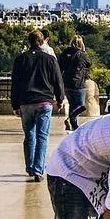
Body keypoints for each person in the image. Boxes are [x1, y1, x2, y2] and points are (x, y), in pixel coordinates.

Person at [12, 29, 70, 182]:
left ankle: (30, 167)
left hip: (25, 101)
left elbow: (15, 84)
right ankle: (38, 169)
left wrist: (15, 104)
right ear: (43, 41)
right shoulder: (50, 59)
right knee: (42, 136)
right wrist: (60, 99)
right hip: (44, 101)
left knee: (29, 135)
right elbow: (58, 81)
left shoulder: (20, 59)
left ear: (29, 42)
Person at [60, 35, 94, 131]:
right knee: (81, 105)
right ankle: (70, 118)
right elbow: (89, 63)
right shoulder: (82, 54)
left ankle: (73, 124)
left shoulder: (65, 52)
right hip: (78, 83)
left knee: (72, 104)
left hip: (66, 82)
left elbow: (59, 65)